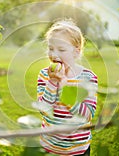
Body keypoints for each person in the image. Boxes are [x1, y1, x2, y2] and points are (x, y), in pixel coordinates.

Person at [37, 18, 98, 156]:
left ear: (76, 52)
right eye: (51, 48)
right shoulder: (44, 75)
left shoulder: (88, 78)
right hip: (49, 147)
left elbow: (87, 115)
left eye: (61, 49)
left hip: (78, 149)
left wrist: (66, 91)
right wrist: (52, 83)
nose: (53, 54)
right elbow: (44, 110)